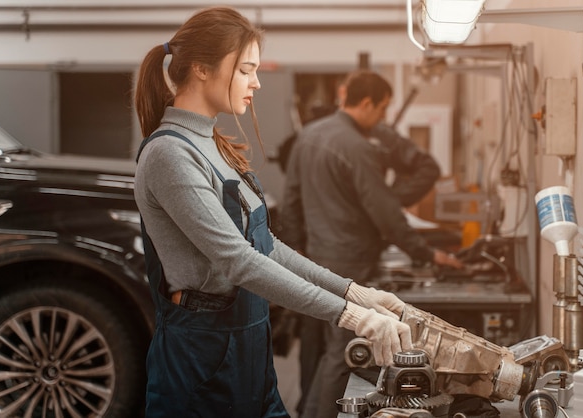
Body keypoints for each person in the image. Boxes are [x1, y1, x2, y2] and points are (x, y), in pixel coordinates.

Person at [133, 7, 415, 418]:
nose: (257, 82)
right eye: (246, 70)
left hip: (248, 347)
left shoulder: (213, 143)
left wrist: (354, 292)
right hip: (200, 361)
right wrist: (351, 317)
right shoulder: (169, 154)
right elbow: (239, 261)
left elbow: (265, 246)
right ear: (201, 70)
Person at [280, 69, 464, 418]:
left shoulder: (309, 135)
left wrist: (296, 249)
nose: (382, 118)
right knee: (343, 353)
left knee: (326, 349)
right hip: (350, 265)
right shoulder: (359, 148)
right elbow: (387, 217)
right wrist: (428, 254)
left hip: (317, 261)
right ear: (365, 103)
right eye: (381, 109)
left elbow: (291, 202)